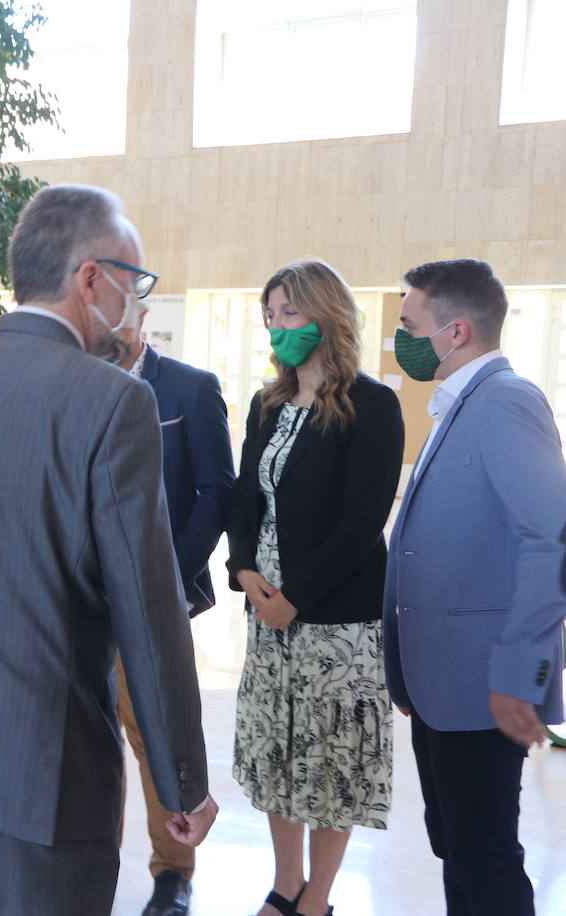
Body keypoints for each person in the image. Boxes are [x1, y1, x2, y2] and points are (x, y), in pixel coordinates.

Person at [0, 183, 217, 913]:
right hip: (49, 769)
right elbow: (148, 614)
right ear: (90, 279)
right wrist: (182, 780)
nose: (135, 302)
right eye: (132, 280)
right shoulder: (115, 401)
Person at [385, 258, 566, 916]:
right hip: (441, 684)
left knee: (486, 860)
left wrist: (522, 673)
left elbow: (551, 538)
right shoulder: (459, 404)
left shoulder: (507, 402)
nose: (400, 336)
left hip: (485, 688)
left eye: (409, 323)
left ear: (456, 331)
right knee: (460, 851)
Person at [226, 258, 403, 916]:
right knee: (278, 749)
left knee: (331, 760)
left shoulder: (373, 406)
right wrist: (246, 573)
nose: (277, 326)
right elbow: (245, 497)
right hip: (268, 613)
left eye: (289, 313)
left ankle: (317, 900)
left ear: (326, 315)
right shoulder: (268, 404)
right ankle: (285, 883)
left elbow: (365, 518)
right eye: (270, 315)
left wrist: (294, 598)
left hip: (334, 618)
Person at [112, 308, 234, 916]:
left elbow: (218, 492)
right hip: (82, 601)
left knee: (156, 733)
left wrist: (166, 579)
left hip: (156, 600)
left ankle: (173, 873)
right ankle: (92, 859)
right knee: (87, 738)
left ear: (142, 313)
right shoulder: (77, 379)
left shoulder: (190, 387)